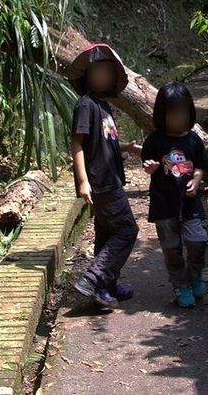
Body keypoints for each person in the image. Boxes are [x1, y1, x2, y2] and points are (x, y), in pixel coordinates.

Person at [67, 42, 142, 309]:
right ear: (87, 75)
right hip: (101, 181)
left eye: (107, 72)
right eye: (97, 71)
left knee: (106, 234)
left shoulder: (104, 107)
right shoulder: (86, 105)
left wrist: (127, 147)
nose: (103, 76)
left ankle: (106, 286)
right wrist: (83, 181)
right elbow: (77, 143)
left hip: (111, 178)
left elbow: (101, 142)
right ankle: (93, 279)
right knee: (126, 230)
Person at [140, 81, 208, 308]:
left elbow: (201, 166)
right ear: (161, 114)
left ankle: (195, 275)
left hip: (190, 203)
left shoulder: (193, 140)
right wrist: (150, 168)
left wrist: (196, 179)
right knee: (171, 248)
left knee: (198, 242)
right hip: (163, 204)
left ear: (190, 112)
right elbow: (147, 162)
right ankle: (181, 285)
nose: (178, 118)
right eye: (172, 113)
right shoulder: (154, 140)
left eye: (182, 112)